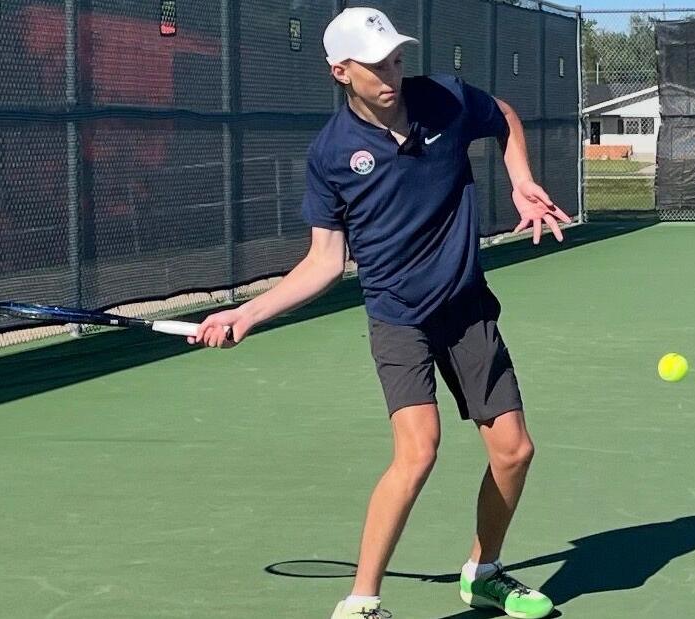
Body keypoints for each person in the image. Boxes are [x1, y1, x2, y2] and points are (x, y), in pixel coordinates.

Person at [188, 7, 570, 619]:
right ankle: (361, 601)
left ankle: (485, 572)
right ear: (340, 71)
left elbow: (501, 115)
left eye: (395, 59)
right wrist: (248, 313)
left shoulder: (444, 99)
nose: (391, 75)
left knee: (514, 450)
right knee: (418, 451)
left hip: (466, 306)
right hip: (399, 317)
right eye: (375, 66)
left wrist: (520, 178)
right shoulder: (331, 155)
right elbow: (324, 261)